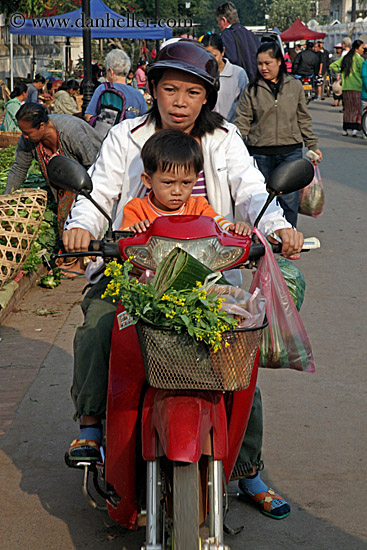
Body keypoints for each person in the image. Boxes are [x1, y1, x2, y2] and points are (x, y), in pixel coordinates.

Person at [63, 40, 304, 520]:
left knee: (239, 362)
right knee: (96, 325)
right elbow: (100, 190)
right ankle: (91, 426)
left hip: (205, 274)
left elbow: (252, 189)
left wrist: (277, 228)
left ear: (207, 99)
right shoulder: (126, 136)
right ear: (151, 90)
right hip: (134, 272)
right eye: (169, 89)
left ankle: (248, 470)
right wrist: (82, 227)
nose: (179, 101)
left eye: (192, 92)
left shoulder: (225, 139)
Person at [234, 41, 322, 235]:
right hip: (260, 152)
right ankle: (264, 239)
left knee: (289, 200)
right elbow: (242, 121)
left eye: (268, 63)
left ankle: (289, 239)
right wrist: (234, 145)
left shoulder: (294, 85)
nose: (263, 68)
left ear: (279, 62)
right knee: (262, 199)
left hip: (289, 151)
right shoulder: (252, 89)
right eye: (259, 64)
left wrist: (312, 145)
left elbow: (303, 117)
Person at [122, 129, 250, 237]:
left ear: (195, 179)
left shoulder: (198, 207)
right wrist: (136, 232)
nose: (177, 191)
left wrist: (234, 228)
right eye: (168, 183)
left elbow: (218, 223)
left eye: (186, 183)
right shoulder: (136, 210)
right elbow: (123, 237)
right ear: (148, 180)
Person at [5, 103, 103, 238]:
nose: (24, 136)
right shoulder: (28, 140)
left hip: (90, 186)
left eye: (27, 133)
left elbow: (94, 167)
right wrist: (6, 199)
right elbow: (19, 168)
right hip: (65, 192)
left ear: (41, 126)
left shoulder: (71, 132)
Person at [84, 49, 147, 124]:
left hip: (108, 134)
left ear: (111, 71)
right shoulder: (138, 94)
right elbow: (145, 120)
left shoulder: (103, 89)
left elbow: (88, 116)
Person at [201, 33, 248, 122]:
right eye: (206, 55)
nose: (211, 59)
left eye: (214, 56)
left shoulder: (238, 73)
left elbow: (245, 107)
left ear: (222, 52)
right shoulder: (201, 73)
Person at [215, 1, 259, 81]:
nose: (218, 26)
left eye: (218, 22)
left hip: (239, 81)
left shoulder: (227, 34)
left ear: (224, 20)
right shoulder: (251, 34)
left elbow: (232, 59)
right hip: (256, 82)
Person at [329, 39, 364, 137]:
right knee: (356, 108)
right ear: (357, 49)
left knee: (347, 108)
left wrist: (341, 71)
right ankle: (354, 129)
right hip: (357, 86)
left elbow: (333, 65)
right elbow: (363, 72)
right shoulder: (359, 59)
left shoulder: (345, 57)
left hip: (345, 86)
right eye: (362, 47)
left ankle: (345, 129)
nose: (363, 49)